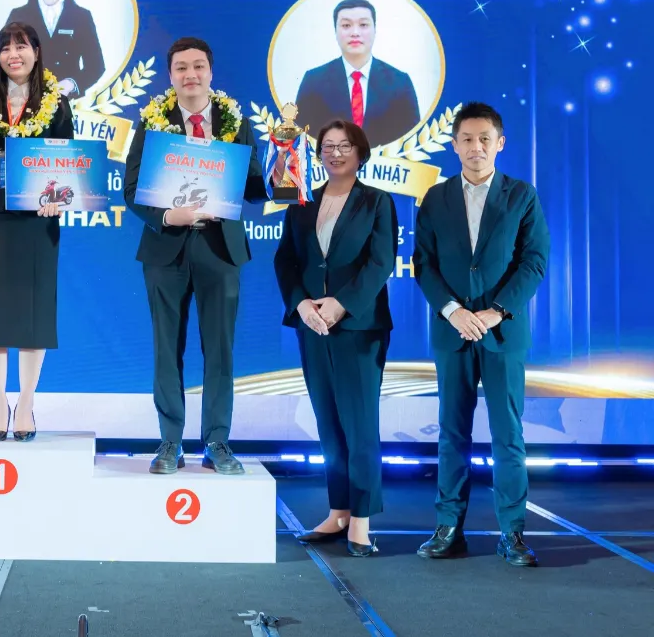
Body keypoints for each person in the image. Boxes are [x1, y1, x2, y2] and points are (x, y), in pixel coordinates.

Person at [123, 37, 268, 475]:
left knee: (220, 350)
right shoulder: (152, 122)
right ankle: (170, 442)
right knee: (166, 348)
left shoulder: (235, 122)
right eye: (182, 68)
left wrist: (282, 168)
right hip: (166, 248)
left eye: (198, 66)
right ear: (171, 76)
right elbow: (131, 189)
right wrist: (168, 215)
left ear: (210, 72)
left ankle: (217, 442)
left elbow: (254, 187)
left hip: (220, 249)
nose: (191, 74)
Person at [413, 102, 549, 566]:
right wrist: (453, 311)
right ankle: (449, 527)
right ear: (454, 145)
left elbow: (534, 262)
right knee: (452, 433)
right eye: (467, 139)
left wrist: (495, 312)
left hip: (502, 334)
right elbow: (423, 264)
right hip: (452, 332)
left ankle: (512, 532)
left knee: (508, 434)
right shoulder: (435, 198)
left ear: (500, 143)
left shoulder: (522, 195)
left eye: (485, 139)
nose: (476, 147)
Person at [273, 119, 397, 557]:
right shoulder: (302, 203)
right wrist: (302, 305)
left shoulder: (377, 201)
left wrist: (341, 304)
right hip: (313, 326)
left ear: (360, 152)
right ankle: (338, 511)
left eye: (345, 145)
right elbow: (286, 261)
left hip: (359, 327)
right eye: (327, 146)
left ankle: (361, 520)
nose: (336, 153)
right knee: (327, 421)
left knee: (359, 425)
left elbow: (381, 262)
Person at [0, 22, 74, 441]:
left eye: (21, 46)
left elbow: (67, 158)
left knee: (32, 310)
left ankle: (25, 402)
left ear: (36, 52)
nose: (13, 55)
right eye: (5, 48)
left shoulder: (56, 102)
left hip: (36, 215)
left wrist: (59, 197)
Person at [294, 0, 420, 149]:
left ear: (375, 30)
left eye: (363, 25)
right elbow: (301, 138)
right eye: (346, 25)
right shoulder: (313, 81)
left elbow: (412, 139)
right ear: (335, 31)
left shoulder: (400, 83)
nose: (355, 33)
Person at [5, 0, 105, 99]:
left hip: (68, 103)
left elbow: (96, 66)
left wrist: (71, 84)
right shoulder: (19, 16)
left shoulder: (81, 16)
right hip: (26, 101)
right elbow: (1, 60)